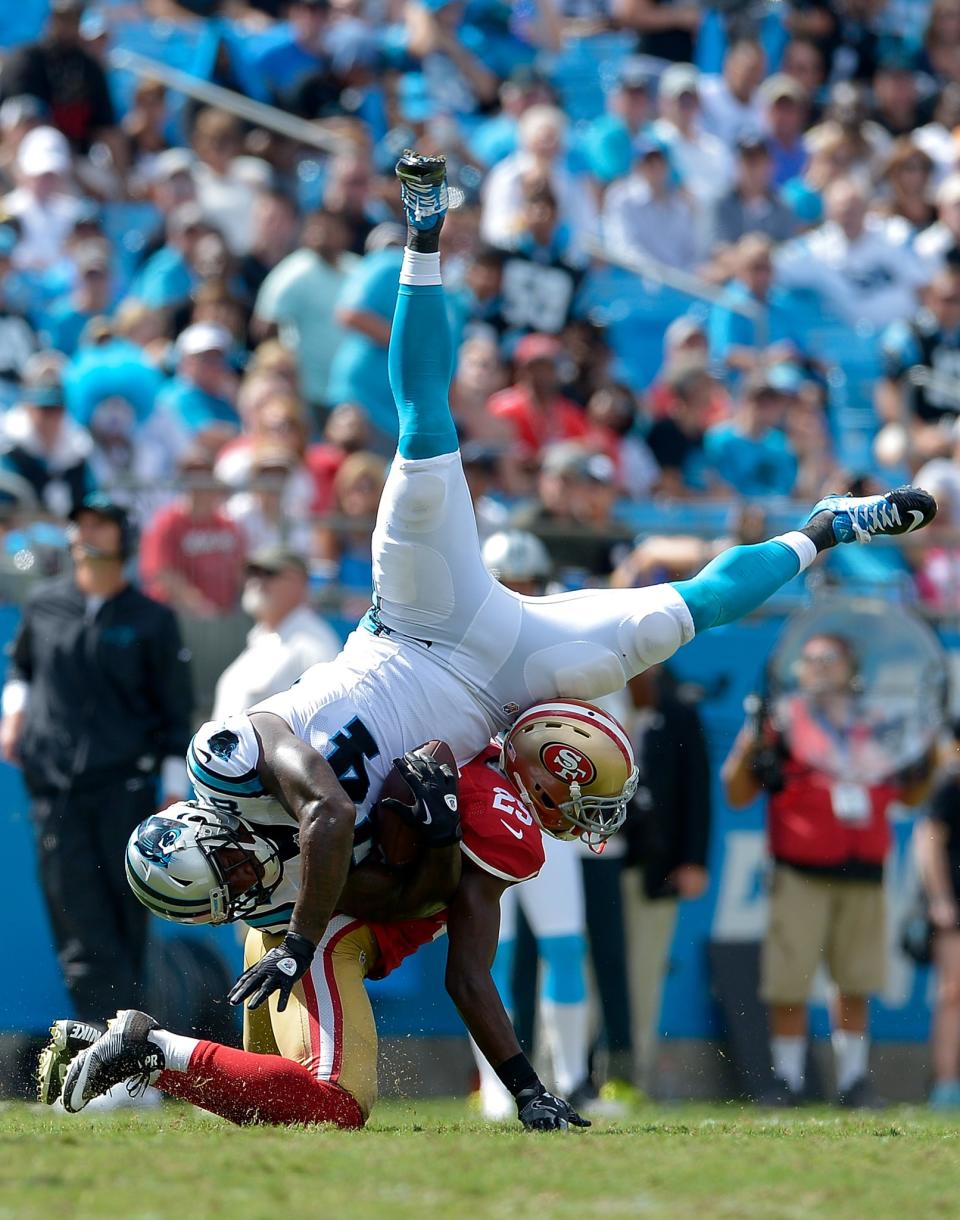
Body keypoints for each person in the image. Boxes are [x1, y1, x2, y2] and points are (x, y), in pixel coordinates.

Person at [48, 151, 937, 1115]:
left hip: (417, 619)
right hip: (501, 689)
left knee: (426, 427)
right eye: (223, 893)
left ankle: (426, 235)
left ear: (202, 821)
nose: (234, 885)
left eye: (217, 869)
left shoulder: (226, 762)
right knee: (673, 618)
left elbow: (328, 817)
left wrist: (304, 933)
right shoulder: (276, 893)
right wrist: (403, 872)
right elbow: (418, 909)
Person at [48, 707, 633, 1129]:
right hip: (325, 938)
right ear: (545, 778)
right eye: (594, 797)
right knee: (335, 1105)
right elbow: (467, 976)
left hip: (291, 934)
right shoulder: (501, 820)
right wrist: (529, 1091)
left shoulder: (468, 757)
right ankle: (147, 1050)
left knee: (276, 1110)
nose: (595, 818)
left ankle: (125, 1050)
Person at [0, 494, 191, 1024]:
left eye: (102, 525)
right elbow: (22, 669)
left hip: (126, 792)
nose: (89, 534)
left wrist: (173, 790)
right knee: (76, 922)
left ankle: (128, 1054)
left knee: (126, 919)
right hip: (54, 792)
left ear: (124, 539)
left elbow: (174, 714)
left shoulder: (153, 620)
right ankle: (96, 1053)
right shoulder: (44, 605)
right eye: (82, 524)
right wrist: (13, 713)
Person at [722, 632, 934, 1107]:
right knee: (789, 978)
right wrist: (751, 738)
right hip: (800, 868)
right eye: (810, 659)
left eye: (829, 659)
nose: (817, 667)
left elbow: (910, 795)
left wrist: (929, 753)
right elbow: (736, 792)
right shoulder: (780, 720)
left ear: (851, 668)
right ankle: (789, 1080)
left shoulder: (876, 723)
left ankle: (854, 1081)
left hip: (863, 867)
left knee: (856, 979)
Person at [470, 531, 594, 1120]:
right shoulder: (463, 642)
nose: (517, 595)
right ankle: (498, 1083)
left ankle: (570, 1079)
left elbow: (597, 740)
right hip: (485, 809)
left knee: (564, 946)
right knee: (488, 953)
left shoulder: (567, 643)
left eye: (525, 583)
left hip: (547, 815)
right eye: (506, 583)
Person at [619, 665, 710, 1092]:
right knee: (576, 963)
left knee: (643, 969)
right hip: (592, 858)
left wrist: (692, 859)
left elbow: (696, 787)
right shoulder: (585, 686)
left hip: (653, 864)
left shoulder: (678, 703)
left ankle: (632, 1073)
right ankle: (564, 1073)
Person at [212, 546, 342, 721]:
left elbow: (331, 716)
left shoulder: (313, 643)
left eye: (269, 573)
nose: (256, 581)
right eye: (252, 573)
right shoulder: (261, 636)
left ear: (299, 582)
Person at [253, 208, 357, 410]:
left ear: (345, 234)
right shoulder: (294, 272)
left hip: (347, 389)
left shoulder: (355, 267)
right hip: (306, 389)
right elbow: (264, 326)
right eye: (316, 227)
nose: (321, 233)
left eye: (330, 227)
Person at [915, 737, 960, 1108]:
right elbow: (928, 842)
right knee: (954, 993)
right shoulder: (950, 786)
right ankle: (946, 1088)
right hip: (955, 908)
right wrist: (941, 898)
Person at [0, 351, 95, 517]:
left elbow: (89, 499)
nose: (50, 418)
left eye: (56, 409)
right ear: (29, 408)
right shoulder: (9, 452)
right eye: (43, 410)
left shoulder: (79, 452)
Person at [602, 136, 701, 273]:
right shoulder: (622, 198)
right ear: (636, 166)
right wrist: (661, 276)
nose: (655, 167)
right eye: (648, 162)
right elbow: (621, 247)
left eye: (660, 161)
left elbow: (690, 254)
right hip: (634, 282)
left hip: (677, 287)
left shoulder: (680, 205)